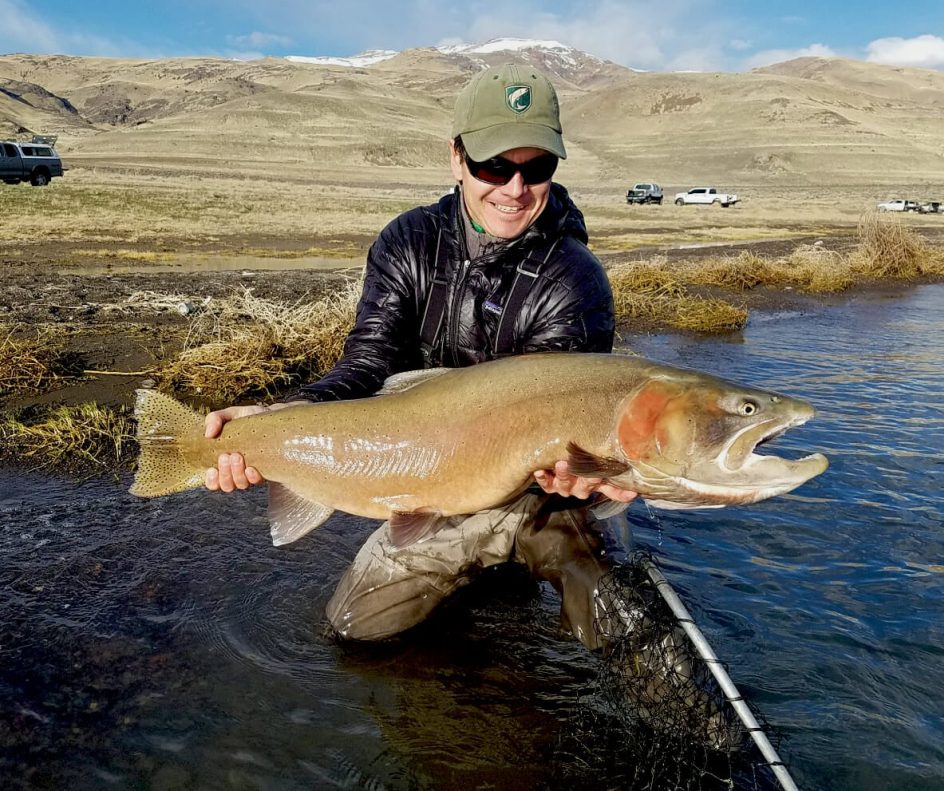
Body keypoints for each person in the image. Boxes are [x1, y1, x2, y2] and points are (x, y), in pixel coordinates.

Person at [203, 63, 636, 649]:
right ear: (457, 158)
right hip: (430, 481)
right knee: (354, 628)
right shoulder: (409, 242)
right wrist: (283, 416)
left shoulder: (574, 278)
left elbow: (568, 422)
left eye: (536, 168)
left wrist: (592, 476)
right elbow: (367, 364)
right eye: (494, 166)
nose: (514, 188)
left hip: (542, 498)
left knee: (614, 623)